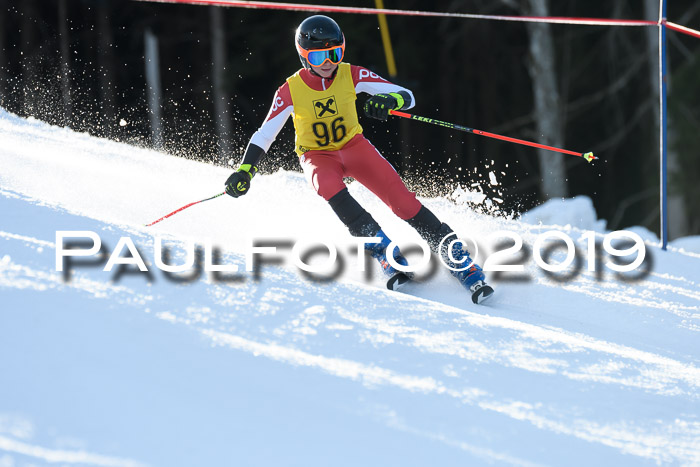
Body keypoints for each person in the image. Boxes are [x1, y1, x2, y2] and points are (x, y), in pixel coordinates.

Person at [225, 15, 493, 304]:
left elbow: (407, 96)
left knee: (404, 203)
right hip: (318, 156)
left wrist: (391, 101)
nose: (328, 62)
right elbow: (265, 134)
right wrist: (245, 170)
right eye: (318, 55)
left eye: (335, 53)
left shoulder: (351, 74)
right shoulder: (290, 90)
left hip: (355, 147)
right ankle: (386, 254)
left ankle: (462, 262)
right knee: (327, 184)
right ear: (303, 56)